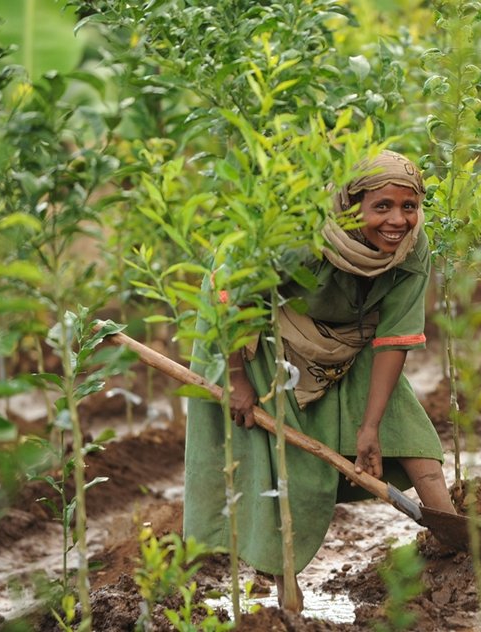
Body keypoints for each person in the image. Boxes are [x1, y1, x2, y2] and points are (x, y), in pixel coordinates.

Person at [183, 149, 456, 611]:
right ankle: (286, 589)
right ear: (352, 206)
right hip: (257, 333)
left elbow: (393, 338)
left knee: (411, 437)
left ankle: (459, 544)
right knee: (288, 469)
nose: (398, 220)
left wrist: (370, 427)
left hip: (350, 336)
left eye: (409, 207)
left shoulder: (413, 248)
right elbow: (230, 291)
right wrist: (235, 378)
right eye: (382, 207)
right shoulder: (303, 237)